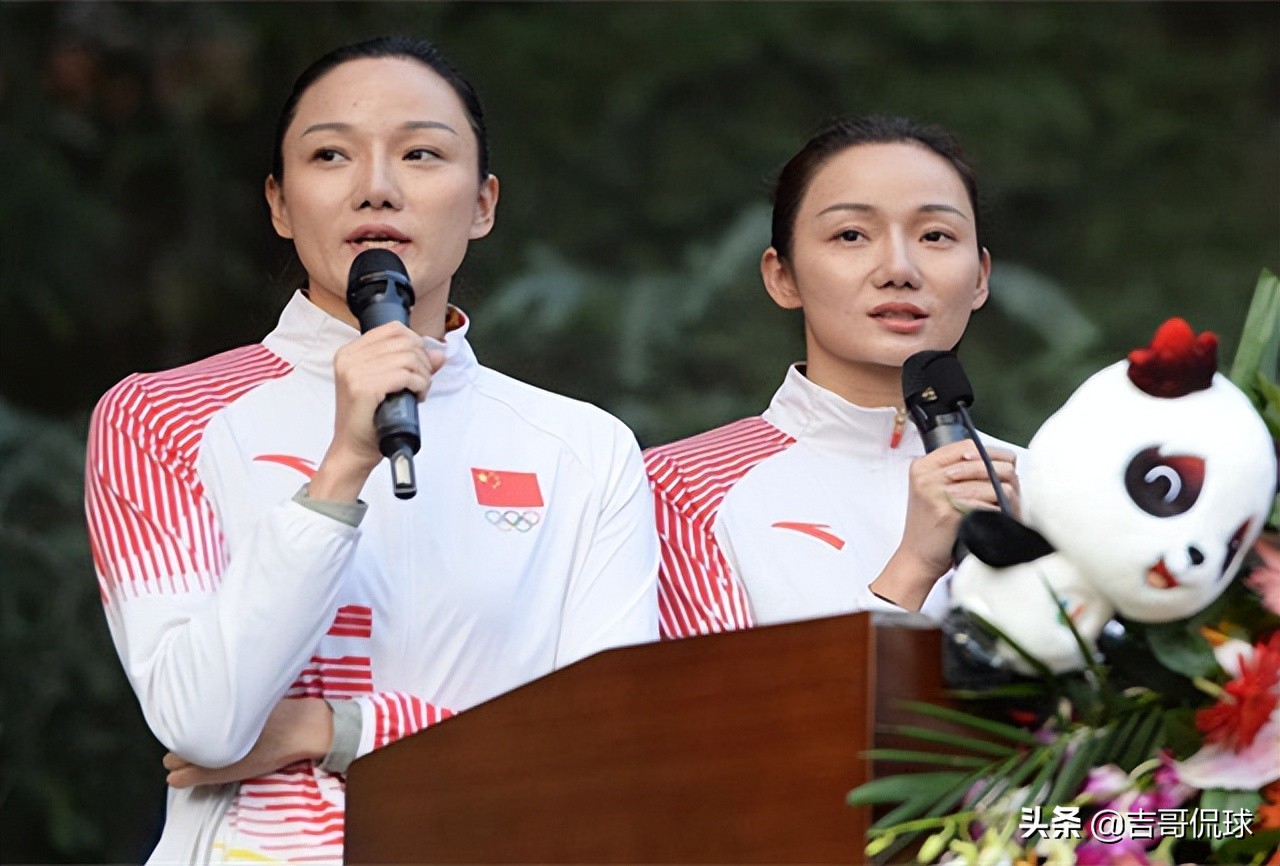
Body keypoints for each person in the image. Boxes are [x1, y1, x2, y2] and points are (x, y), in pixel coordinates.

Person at [84, 36, 658, 864]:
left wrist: (334, 728)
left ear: (485, 203)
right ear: (280, 205)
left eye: (422, 153)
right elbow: (203, 721)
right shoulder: (161, 416)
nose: (376, 187)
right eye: (330, 155)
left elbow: (607, 749)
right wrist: (341, 469)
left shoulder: (584, 448)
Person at [645, 115, 1021, 639]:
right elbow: (719, 711)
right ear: (783, 276)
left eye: (935, 235)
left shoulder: (1051, 487)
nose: (899, 268)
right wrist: (911, 569)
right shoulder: (680, 488)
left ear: (980, 278)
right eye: (851, 235)